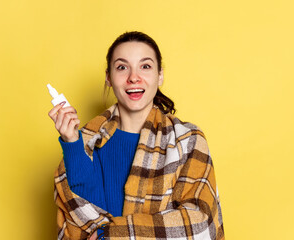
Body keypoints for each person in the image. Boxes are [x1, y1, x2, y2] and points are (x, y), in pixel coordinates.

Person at [48, 31, 224, 240]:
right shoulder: (87, 143)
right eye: (122, 67)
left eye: (145, 66)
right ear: (108, 78)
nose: (133, 77)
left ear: (160, 75)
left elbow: (202, 224)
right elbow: (82, 219)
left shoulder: (188, 141)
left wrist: (114, 234)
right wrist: (71, 142)